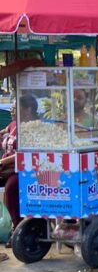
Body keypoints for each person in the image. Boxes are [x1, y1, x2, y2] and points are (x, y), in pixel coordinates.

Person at [1, 95, 40, 236]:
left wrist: (3, 162)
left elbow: (25, 153)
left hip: (26, 169)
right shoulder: (13, 125)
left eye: (15, 107)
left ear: (28, 110)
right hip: (7, 168)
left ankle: (18, 230)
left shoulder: (35, 127)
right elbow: (3, 132)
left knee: (11, 187)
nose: (11, 110)